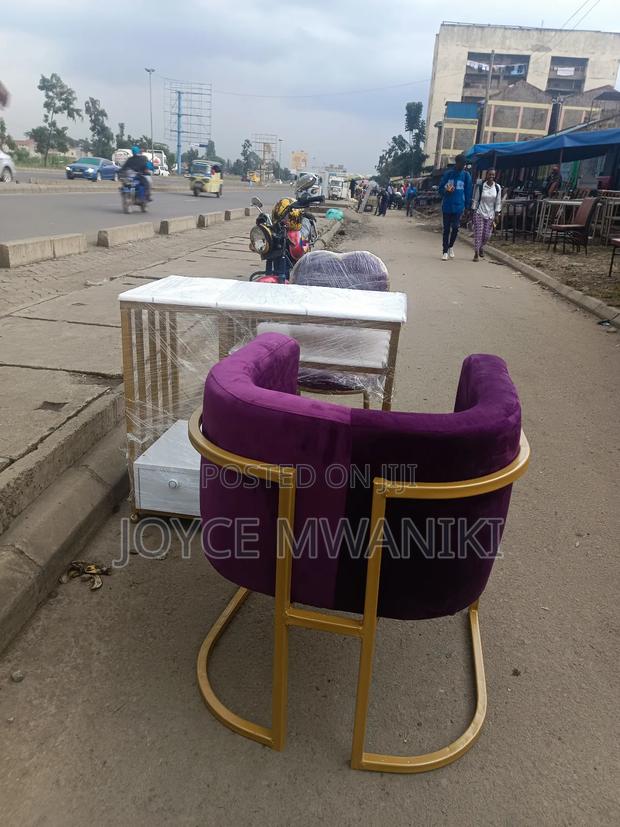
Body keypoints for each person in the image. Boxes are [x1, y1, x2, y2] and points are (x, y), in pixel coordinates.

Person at [438, 154, 472, 260]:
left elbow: (468, 192)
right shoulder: (448, 174)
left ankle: (450, 246)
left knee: (456, 228)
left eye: (464, 164)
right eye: (461, 164)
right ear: (456, 163)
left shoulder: (466, 176)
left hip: (459, 207)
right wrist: (446, 190)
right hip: (447, 206)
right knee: (446, 229)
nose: (463, 166)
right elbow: (440, 190)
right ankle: (444, 251)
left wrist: (467, 207)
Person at [471, 168, 502, 261]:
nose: (491, 177)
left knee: (486, 235)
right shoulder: (481, 186)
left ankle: (481, 247)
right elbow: (476, 200)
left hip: (490, 214)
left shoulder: (497, 187)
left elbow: (498, 201)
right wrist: (472, 211)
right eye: (490, 174)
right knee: (478, 234)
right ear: (486, 175)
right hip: (479, 213)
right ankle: (476, 253)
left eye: (493, 175)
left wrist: (497, 214)